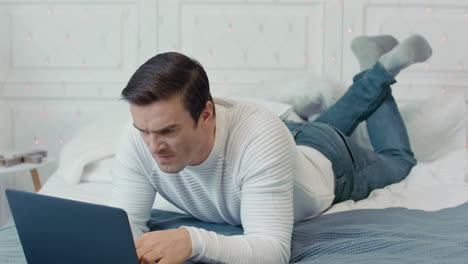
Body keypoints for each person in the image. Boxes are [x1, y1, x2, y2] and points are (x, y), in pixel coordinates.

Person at [110, 34, 432, 264]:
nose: (154, 146)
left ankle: (379, 67)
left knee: (399, 161)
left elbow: (272, 251)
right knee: (323, 125)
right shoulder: (138, 137)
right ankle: (373, 71)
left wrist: (192, 240)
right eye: (144, 131)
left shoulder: (260, 135)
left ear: (206, 113)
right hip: (283, 142)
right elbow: (126, 225)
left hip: (328, 162)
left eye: (168, 131)